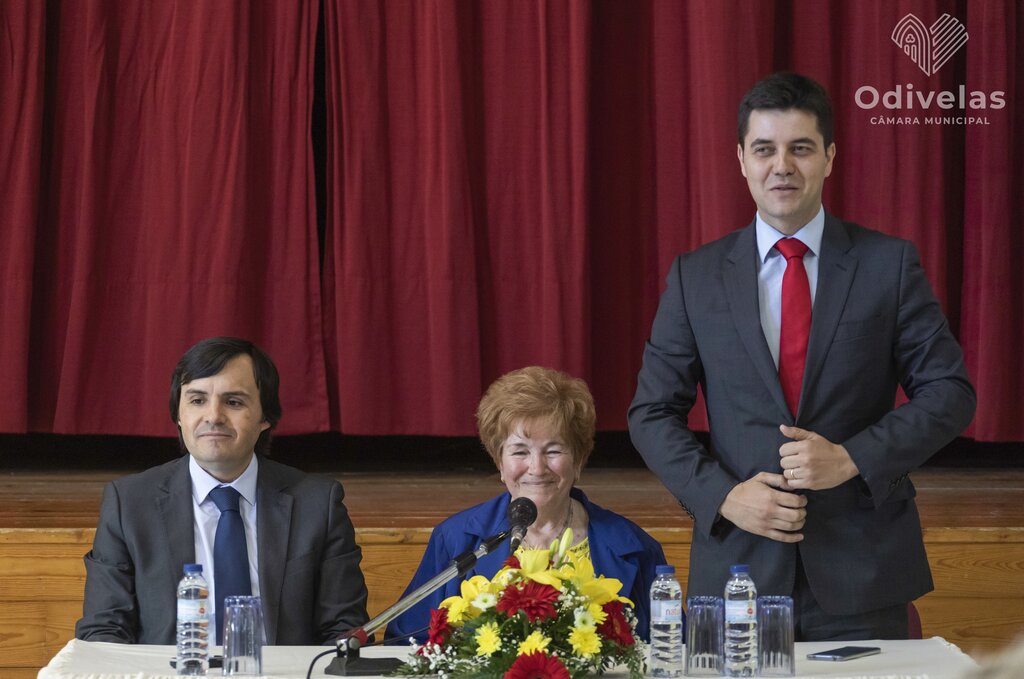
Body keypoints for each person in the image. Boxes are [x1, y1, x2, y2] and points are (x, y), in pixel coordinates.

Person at [628, 72, 975, 641]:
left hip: (864, 572)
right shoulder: (696, 277)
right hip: (738, 570)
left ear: (830, 157)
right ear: (742, 159)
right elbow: (651, 413)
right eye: (765, 149)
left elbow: (950, 393)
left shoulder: (888, 265)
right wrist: (725, 497)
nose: (782, 166)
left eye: (801, 148)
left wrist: (853, 458)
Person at [76, 336, 369, 645]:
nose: (214, 416)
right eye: (197, 400)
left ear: (265, 417)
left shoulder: (318, 504)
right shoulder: (129, 504)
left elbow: (343, 630)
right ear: (178, 415)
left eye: (233, 402)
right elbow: (103, 630)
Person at [388, 366, 667, 643]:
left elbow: (671, 649)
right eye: (520, 451)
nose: (537, 468)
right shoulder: (455, 539)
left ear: (578, 460)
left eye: (553, 451)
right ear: (499, 462)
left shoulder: (636, 547)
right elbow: (404, 645)